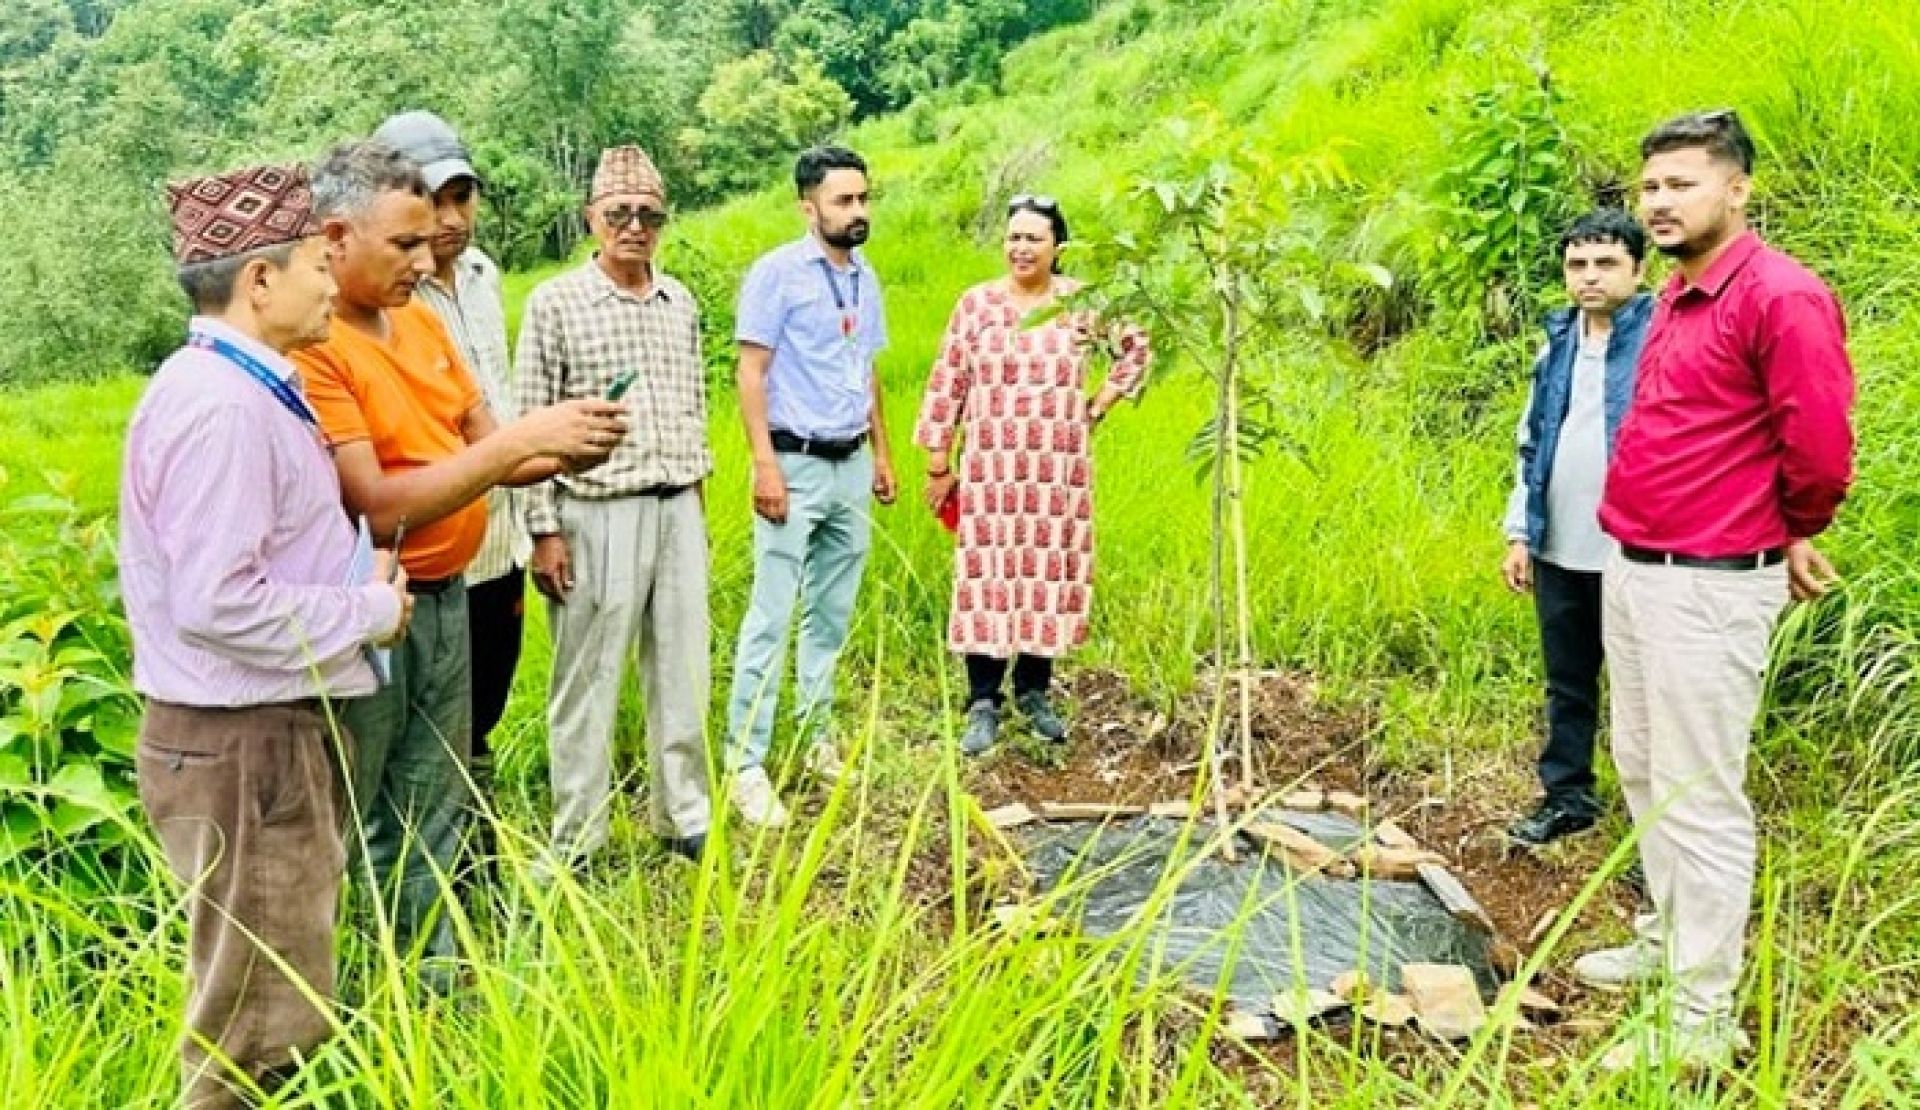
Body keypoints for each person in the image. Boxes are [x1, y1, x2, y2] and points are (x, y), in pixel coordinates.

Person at [296, 141, 629, 985]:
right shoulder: (316, 343)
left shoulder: (420, 321)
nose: (426, 255)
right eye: (403, 243)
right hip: (369, 611)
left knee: (437, 793)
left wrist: (563, 448)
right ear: (335, 239)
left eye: (428, 239)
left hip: (451, 594)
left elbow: (489, 448)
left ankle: (439, 980)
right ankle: (362, 987)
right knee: (365, 807)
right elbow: (374, 503)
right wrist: (521, 443)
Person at [122, 162, 413, 1108]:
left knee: (278, 1001)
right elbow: (218, 601)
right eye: (312, 263)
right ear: (259, 281)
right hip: (243, 748)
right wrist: (366, 611)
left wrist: (345, 576)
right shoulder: (222, 408)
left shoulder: (238, 388)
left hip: (258, 740)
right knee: (252, 1034)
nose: (334, 281)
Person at [1573, 110, 1855, 1071]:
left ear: (1738, 190)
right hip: (1636, 570)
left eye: (1682, 184)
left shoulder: (1780, 298)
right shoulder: (1676, 295)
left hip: (1709, 585)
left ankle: (1700, 1017)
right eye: (1649, 186)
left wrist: (1793, 527)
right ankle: (1666, 943)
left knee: (1700, 795)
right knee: (1646, 769)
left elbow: (1818, 446)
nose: (1659, 201)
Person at [517, 145, 713, 866]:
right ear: (591, 218)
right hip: (594, 511)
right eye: (620, 214)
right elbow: (531, 415)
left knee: (685, 669)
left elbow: (692, 407)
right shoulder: (555, 302)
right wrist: (542, 530)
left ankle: (684, 816)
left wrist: (697, 508)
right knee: (587, 679)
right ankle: (579, 838)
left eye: (649, 216)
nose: (635, 227)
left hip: (676, 506)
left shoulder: (680, 300)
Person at [914, 195, 1150, 755]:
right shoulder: (976, 305)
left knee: (1048, 576)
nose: (1021, 248)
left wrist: (1100, 404)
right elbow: (948, 383)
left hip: (1056, 474)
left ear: (1056, 248)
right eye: (1014, 237)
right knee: (987, 577)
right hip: (991, 471)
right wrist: (938, 464)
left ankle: (1035, 693)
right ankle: (983, 701)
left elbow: (1137, 347)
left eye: (1033, 239)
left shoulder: (1082, 305)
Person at [372, 109, 530, 884]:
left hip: (500, 545)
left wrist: (542, 522)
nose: (450, 220)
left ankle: (474, 872)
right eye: (432, 201)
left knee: (482, 721)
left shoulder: (484, 278)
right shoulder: (381, 304)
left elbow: (493, 409)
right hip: (427, 562)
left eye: (462, 198)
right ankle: (453, 890)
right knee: (433, 738)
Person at [725, 145, 898, 829]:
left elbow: (869, 369)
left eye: (863, 199)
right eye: (843, 201)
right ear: (809, 207)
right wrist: (764, 465)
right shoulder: (777, 275)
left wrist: (882, 454)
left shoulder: (865, 277)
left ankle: (814, 734)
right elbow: (749, 372)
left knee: (830, 611)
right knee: (771, 614)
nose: (858, 212)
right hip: (792, 464)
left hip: (849, 461)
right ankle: (746, 763)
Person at [1499, 209, 1654, 846]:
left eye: (1606, 263)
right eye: (1577, 265)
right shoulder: (1558, 341)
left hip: (1636, 548)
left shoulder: (1660, 338)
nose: (1589, 277)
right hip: (1560, 541)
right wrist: (1520, 533)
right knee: (1567, 678)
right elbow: (1532, 439)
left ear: (1639, 269)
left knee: (1645, 689)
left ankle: (1657, 822)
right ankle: (1568, 797)